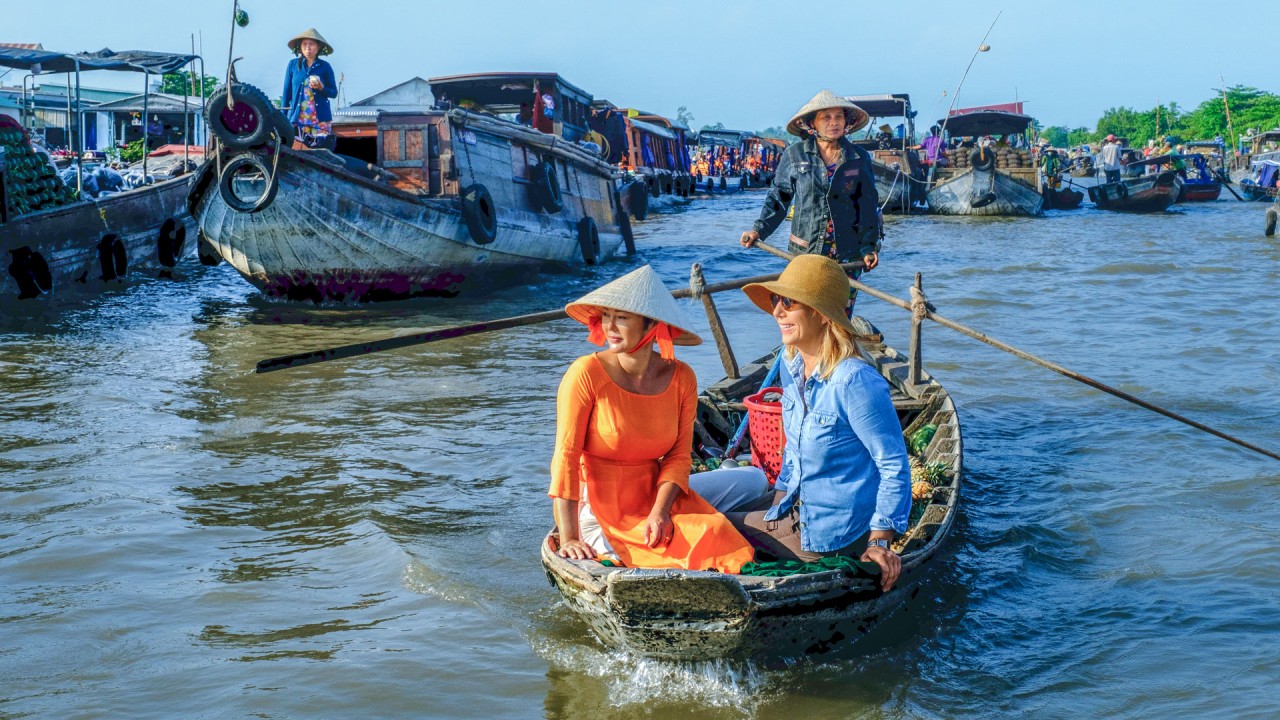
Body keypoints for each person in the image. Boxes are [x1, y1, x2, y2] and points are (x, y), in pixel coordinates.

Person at [549, 266, 756, 573]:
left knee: (752, 482)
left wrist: (660, 512)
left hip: (656, 494)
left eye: (622, 317)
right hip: (601, 510)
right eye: (606, 315)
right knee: (706, 535)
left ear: (651, 325)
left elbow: (678, 457)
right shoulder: (585, 373)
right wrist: (569, 538)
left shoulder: (682, 376)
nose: (609, 326)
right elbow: (565, 457)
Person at [727, 254, 912, 591]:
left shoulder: (854, 381)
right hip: (797, 510)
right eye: (775, 300)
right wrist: (776, 508)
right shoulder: (793, 367)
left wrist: (880, 541)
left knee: (713, 526)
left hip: (830, 533)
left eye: (788, 302)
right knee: (702, 511)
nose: (777, 311)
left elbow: (893, 464)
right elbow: (793, 455)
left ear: (822, 314)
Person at [738, 90, 881, 314]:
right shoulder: (795, 155)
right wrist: (759, 230)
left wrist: (868, 247)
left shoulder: (858, 157)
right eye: (826, 117)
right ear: (812, 123)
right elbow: (779, 198)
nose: (834, 123)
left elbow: (868, 207)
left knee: (839, 315)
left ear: (846, 122)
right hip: (806, 250)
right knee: (803, 311)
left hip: (848, 253)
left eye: (839, 117)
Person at [282, 28, 338, 151]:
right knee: (296, 151)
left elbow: (334, 93)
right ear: (300, 47)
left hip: (320, 120)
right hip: (298, 119)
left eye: (311, 44)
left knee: (321, 152)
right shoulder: (293, 65)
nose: (308, 48)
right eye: (305, 44)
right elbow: (286, 94)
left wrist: (322, 87)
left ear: (318, 47)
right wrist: (283, 119)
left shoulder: (325, 67)